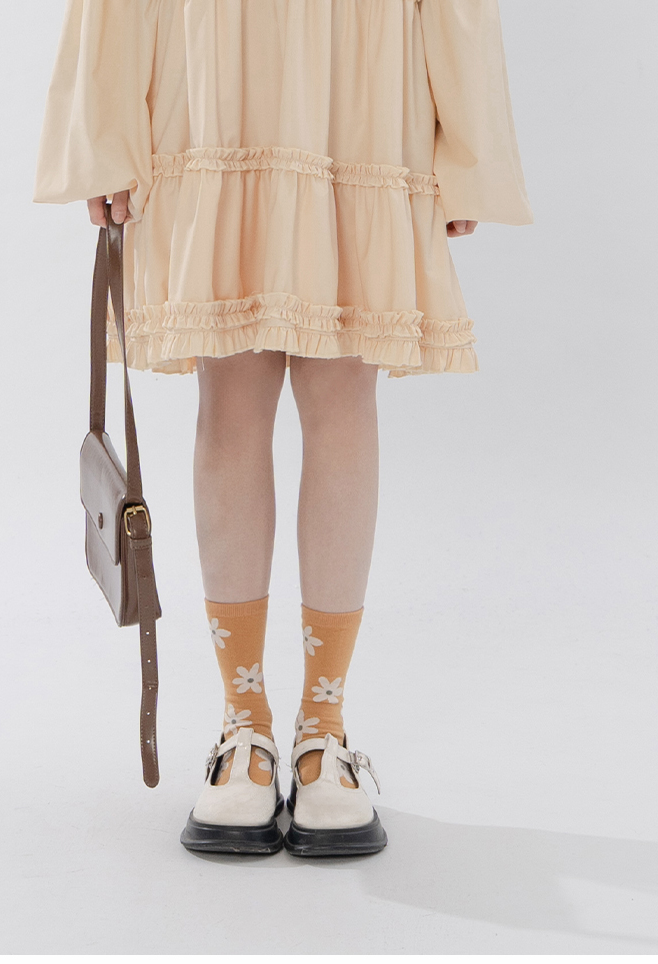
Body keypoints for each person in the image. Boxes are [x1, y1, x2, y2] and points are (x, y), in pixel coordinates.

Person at [33, 0, 533, 858]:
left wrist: (468, 144)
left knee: (341, 392)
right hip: (213, 68)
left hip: (361, 72)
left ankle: (322, 729)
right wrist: (105, 127)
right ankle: (247, 725)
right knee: (232, 394)